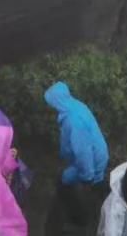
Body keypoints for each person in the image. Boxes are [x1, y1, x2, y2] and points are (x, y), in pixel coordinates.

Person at [44, 81, 109, 236]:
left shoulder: (73, 121)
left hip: (91, 162)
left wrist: (87, 176)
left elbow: (83, 151)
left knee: (63, 181)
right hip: (98, 155)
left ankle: (80, 220)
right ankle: (93, 208)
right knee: (96, 188)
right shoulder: (74, 106)